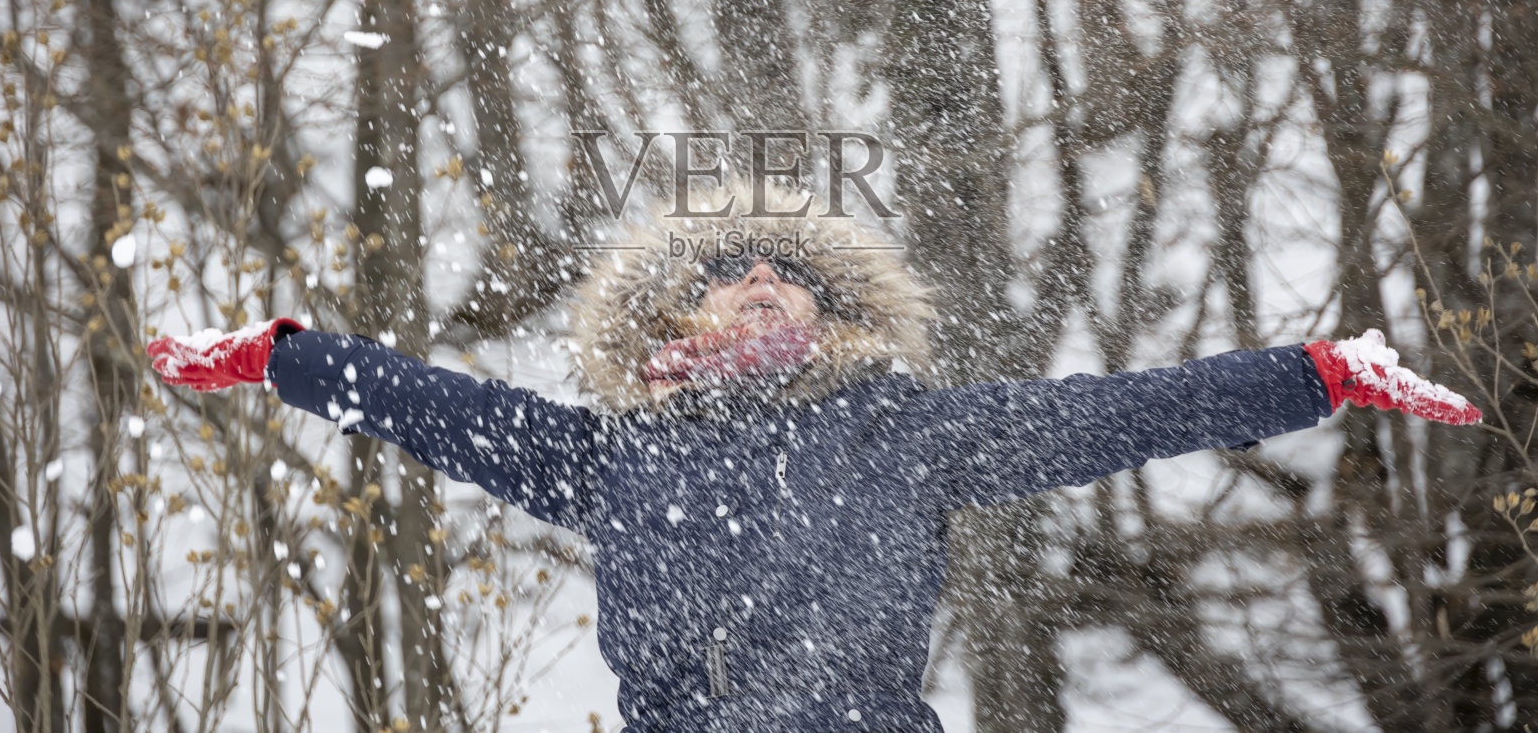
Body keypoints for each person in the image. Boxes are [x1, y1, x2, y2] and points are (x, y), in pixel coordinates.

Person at [147, 183, 1480, 733]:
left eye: (793, 276)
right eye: (735, 274)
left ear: (834, 317)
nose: (765, 283)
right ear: (682, 316)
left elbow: (1117, 413)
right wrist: (287, 355)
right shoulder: (608, 456)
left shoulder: (907, 434)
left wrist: (1313, 372)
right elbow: (435, 408)